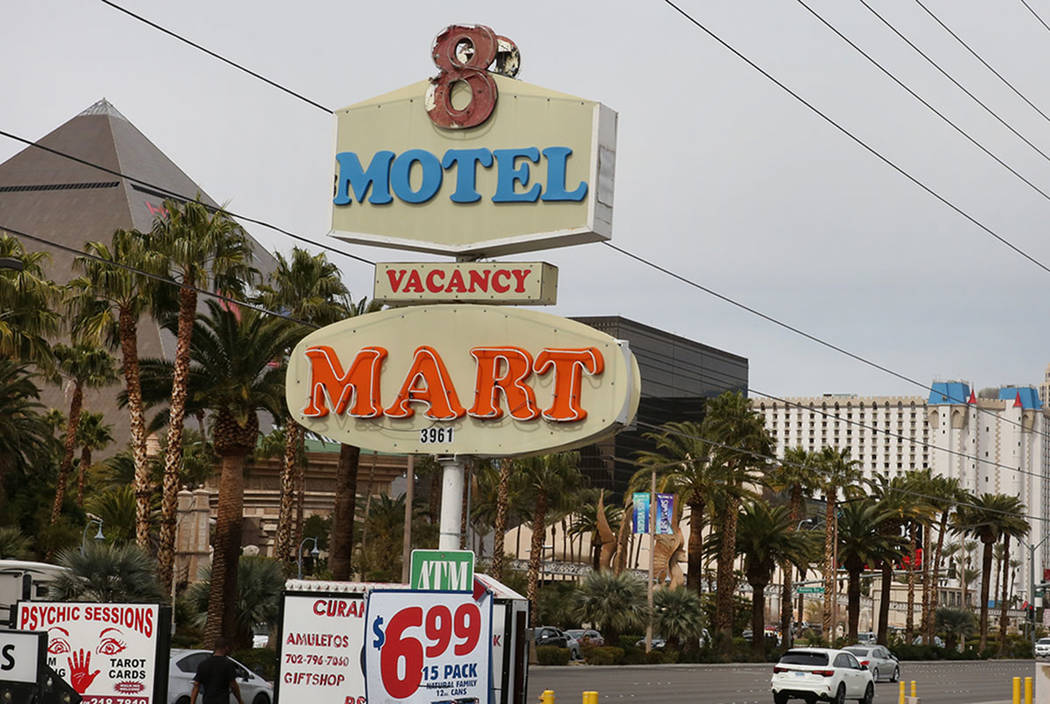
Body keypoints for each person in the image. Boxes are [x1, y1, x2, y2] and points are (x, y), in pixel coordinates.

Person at [190, 637, 244, 704]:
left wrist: (192, 703)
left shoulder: (203, 664)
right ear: (226, 648)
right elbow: (233, 685)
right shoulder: (228, 664)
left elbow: (196, 686)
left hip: (207, 701)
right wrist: (240, 701)